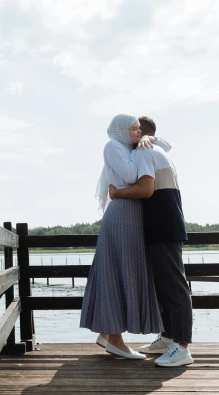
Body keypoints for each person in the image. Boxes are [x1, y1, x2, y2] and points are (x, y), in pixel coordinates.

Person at [109, 116, 193, 367]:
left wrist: (117, 193)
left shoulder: (145, 152)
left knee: (174, 287)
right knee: (165, 286)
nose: (129, 136)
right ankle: (169, 338)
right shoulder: (154, 148)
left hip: (162, 223)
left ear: (140, 134)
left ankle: (182, 346)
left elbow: (145, 189)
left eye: (134, 130)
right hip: (163, 222)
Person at [80, 114, 164, 360]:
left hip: (132, 210)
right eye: (134, 129)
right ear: (121, 130)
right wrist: (143, 154)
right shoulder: (113, 146)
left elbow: (166, 145)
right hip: (123, 211)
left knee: (125, 268)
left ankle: (108, 332)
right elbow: (129, 176)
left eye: (140, 129)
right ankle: (115, 340)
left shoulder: (133, 146)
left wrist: (148, 139)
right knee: (117, 270)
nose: (139, 133)